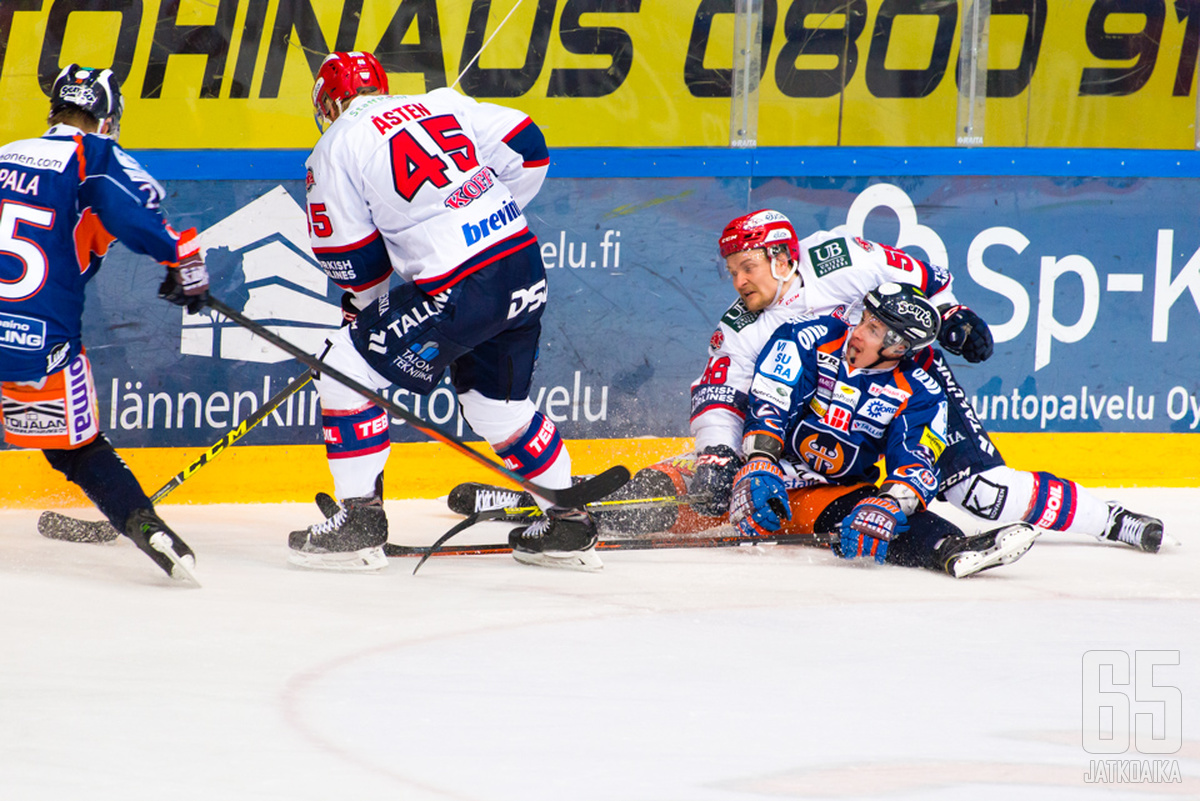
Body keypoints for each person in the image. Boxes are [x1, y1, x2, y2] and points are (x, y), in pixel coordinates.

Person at [451, 210, 1164, 554]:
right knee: (693, 487)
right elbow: (719, 393)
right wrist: (724, 455)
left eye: (748, 267)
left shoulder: (840, 258)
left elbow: (922, 281)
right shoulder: (741, 326)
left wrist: (955, 315)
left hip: (903, 390)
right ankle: (531, 501)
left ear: (783, 256)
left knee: (977, 488)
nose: (737, 280)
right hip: (817, 421)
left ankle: (1109, 518)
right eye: (731, 271)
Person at [290, 51, 598, 571]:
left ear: (330, 103)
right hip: (520, 263)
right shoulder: (439, 102)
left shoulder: (335, 144)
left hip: (460, 284)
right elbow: (529, 147)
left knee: (342, 364)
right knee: (495, 407)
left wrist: (364, 309)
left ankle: (360, 518)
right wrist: (482, 210)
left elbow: (355, 260)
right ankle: (567, 521)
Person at [0, 65, 209, 582]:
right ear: (107, 120)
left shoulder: (4, 153)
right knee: (78, 454)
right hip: (35, 343)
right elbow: (135, 211)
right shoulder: (91, 154)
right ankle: (144, 523)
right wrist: (182, 265)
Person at [729, 282, 1039, 577]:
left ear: (899, 346)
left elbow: (916, 460)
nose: (858, 333)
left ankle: (950, 548)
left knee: (873, 519)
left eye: (873, 329)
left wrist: (889, 504)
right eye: (864, 319)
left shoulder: (922, 392)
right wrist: (760, 460)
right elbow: (771, 400)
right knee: (705, 484)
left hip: (826, 494)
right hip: (755, 470)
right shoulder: (807, 336)